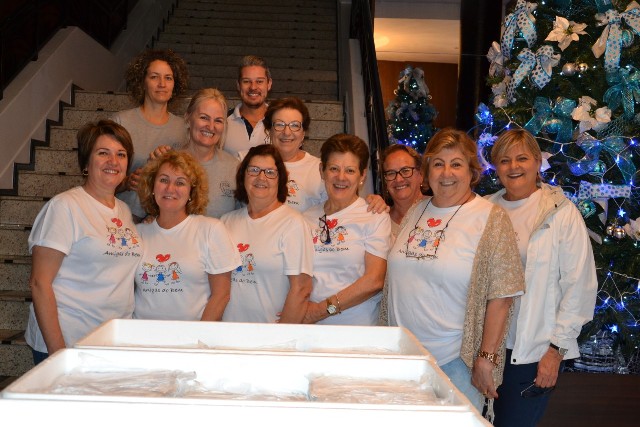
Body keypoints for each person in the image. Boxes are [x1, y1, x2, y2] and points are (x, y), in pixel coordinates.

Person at [387, 128, 525, 415]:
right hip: (402, 359)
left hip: (455, 364)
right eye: (438, 163)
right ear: (427, 172)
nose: (446, 172)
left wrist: (485, 358)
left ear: (472, 172)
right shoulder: (416, 210)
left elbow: (502, 297)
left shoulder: (490, 218)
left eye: (456, 164)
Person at [486, 129, 597, 427]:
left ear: (537, 162)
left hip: (531, 354)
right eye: (505, 160)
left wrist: (556, 351)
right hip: (484, 349)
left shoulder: (561, 213)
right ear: (496, 166)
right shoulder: (483, 209)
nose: (513, 167)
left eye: (522, 158)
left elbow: (580, 286)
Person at [26, 120, 142, 363]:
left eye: (121, 154)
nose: (113, 161)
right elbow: (39, 283)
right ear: (86, 162)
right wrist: (58, 352)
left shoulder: (124, 210)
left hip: (111, 340)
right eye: (103, 153)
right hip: (69, 340)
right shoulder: (64, 206)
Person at [133, 151, 240, 321]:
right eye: (163, 180)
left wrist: (198, 334)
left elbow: (221, 295)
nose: (170, 188)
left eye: (180, 182)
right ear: (152, 186)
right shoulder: (137, 234)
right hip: (140, 334)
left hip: (191, 335)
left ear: (192, 192)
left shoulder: (211, 230)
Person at [301, 134, 390, 326]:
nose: (341, 177)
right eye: (334, 168)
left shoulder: (374, 215)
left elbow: (375, 280)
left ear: (362, 175)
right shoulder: (306, 218)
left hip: (356, 330)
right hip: (310, 330)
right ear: (322, 171)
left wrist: (320, 311)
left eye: (350, 170)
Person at [220, 144, 313, 323]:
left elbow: (302, 289)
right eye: (254, 170)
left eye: (270, 172)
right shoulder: (226, 222)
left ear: (280, 179)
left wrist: (282, 335)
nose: (261, 177)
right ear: (243, 175)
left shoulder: (293, 224)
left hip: (269, 333)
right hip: (227, 331)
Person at [113, 49, 189, 221]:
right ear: (143, 82)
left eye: (168, 78)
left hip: (165, 221)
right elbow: (101, 178)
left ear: (175, 84)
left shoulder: (183, 128)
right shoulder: (121, 122)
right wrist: (127, 182)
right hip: (124, 218)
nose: (162, 84)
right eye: (154, 77)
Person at [151, 88, 240, 219]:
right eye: (204, 118)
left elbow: (243, 218)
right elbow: (143, 212)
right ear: (188, 119)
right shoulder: (166, 162)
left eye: (218, 121)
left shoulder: (235, 168)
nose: (211, 126)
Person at [378, 143, 425, 325]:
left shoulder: (438, 214)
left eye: (406, 171)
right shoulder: (378, 221)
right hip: (393, 320)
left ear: (420, 174)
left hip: (433, 322)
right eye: (391, 173)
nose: (398, 179)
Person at [224, 55, 272, 158]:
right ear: (238, 85)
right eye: (246, 81)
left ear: (269, 84)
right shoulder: (222, 122)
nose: (253, 87)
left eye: (259, 81)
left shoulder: (280, 122)